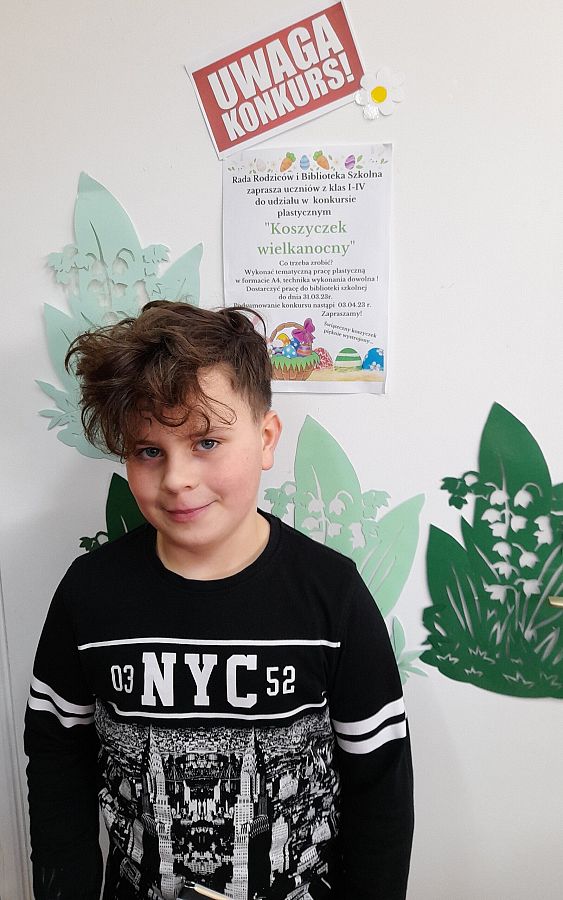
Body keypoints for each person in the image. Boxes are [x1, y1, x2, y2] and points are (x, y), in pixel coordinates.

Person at [24, 301, 414, 900]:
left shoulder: (331, 594)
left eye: (206, 441)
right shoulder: (89, 593)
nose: (177, 478)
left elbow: (380, 782)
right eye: (149, 450)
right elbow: (56, 759)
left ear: (266, 438)